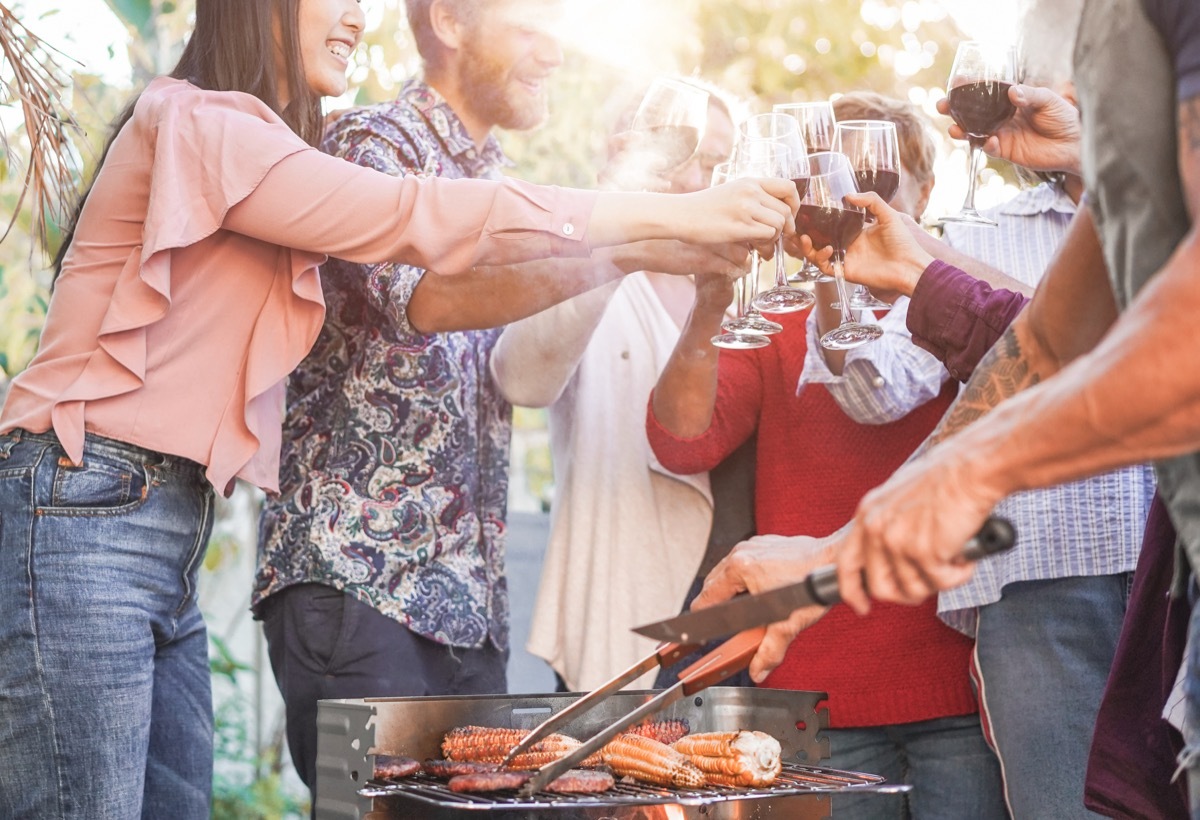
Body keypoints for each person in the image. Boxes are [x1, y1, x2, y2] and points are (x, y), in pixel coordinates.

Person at [0, 1, 797, 816]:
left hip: (153, 522)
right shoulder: (203, 122)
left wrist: (643, 246)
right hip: (85, 502)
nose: (356, 15)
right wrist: (673, 214)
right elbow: (415, 219)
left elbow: (484, 252)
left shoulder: (264, 150)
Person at [695, 0, 1200, 812]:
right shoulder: (1107, 126)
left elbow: (1166, 341)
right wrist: (845, 543)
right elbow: (1046, 345)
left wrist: (921, 501)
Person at [810, 39, 1158, 816]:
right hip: (1045, 585)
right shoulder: (978, 234)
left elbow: (1134, 351)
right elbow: (880, 390)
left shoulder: (1168, 205)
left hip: (1178, 567)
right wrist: (841, 281)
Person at [646, 92, 1006, 819]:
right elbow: (683, 441)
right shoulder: (779, 313)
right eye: (828, 183)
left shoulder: (955, 306)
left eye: (875, 183)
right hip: (811, 686)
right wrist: (714, 302)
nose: (848, 201)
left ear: (924, 196)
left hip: (955, 683)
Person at [488, 80, 736, 692]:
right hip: (624, 618)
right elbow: (519, 378)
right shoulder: (581, 270)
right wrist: (614, 235)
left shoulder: (752, 290)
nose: (704, 180)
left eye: (722, 164)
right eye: (690, 157)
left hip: (736, 624)